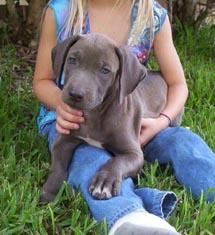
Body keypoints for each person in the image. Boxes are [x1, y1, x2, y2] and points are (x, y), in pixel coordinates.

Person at [33, 0, 215, 234]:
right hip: (67, 119)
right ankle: (129, 215)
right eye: (73, 61)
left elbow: (178, 84)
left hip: (143, 126)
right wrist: (60, 102)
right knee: (89, 159)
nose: (79, 87)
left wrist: (163, 121)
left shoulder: (152, 16)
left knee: (185, 143)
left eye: (104, 70)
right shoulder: (61, 11)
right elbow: (41, 82)